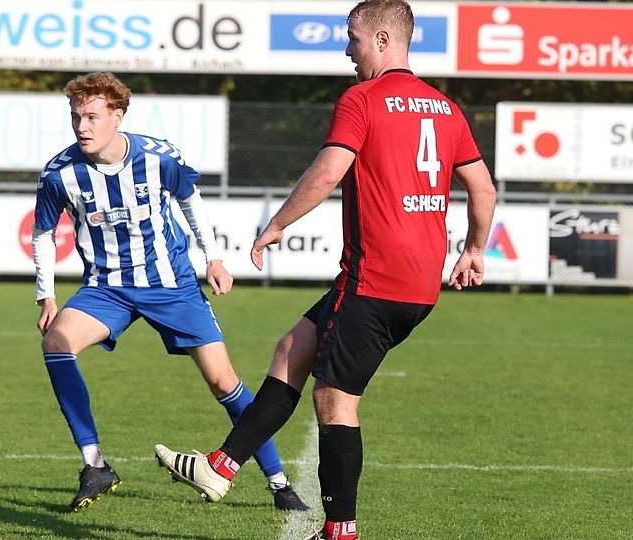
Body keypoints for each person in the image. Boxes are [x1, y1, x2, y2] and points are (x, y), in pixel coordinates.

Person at [153, 1, 497, 538]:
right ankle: (222, 466)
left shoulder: (363, 99)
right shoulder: (445, 109)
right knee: (293, 349)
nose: (347, 50)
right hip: (417, 285)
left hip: (375, 280)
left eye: (353, 39)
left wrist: (277, 224)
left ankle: (340, 530)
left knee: (334, 401)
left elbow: (327, 171)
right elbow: (484, 189)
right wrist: (474, 249)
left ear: (384, 41)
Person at [32, 72, 309, 513]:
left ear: (118, 116)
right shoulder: (60, 173)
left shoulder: (158, 157)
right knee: (56, 344)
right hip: (108, 288)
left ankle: (278, 482)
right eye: (75, 117)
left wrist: (212, 258)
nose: (81, 126)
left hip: (172, 284)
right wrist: (45, 295)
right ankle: (95, 464)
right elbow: (44, 232)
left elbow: (190, 201)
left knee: (224, 382)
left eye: (91, 116)